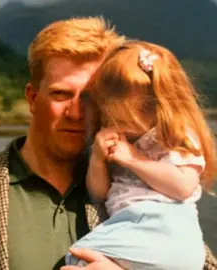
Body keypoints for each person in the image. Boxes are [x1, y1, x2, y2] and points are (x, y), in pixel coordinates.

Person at [0, 17, 217, 270]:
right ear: (33, 98)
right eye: (61, 94)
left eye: (91, 97)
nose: (77, 113)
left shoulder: (148, 188)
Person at [64, 40, 217, 270]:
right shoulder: (120, 139)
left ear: (158, 106)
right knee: (83, 260)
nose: (120, 123)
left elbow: (183, 187)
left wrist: (132, 159)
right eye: (113, 115)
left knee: (78, 257)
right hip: (130, 227)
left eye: (129, 116)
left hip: (163, 226)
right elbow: (99, 195)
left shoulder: (175, 135)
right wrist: (97, 159)